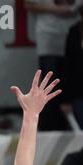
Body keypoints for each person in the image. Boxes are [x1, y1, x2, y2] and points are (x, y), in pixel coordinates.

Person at [25, 0, 81, 130]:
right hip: (50, 37)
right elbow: (29, 4)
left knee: (74, 80)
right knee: (50, 84)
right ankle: (49, 128)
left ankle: (70, 127)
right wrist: (57, 9)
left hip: (74, 33)